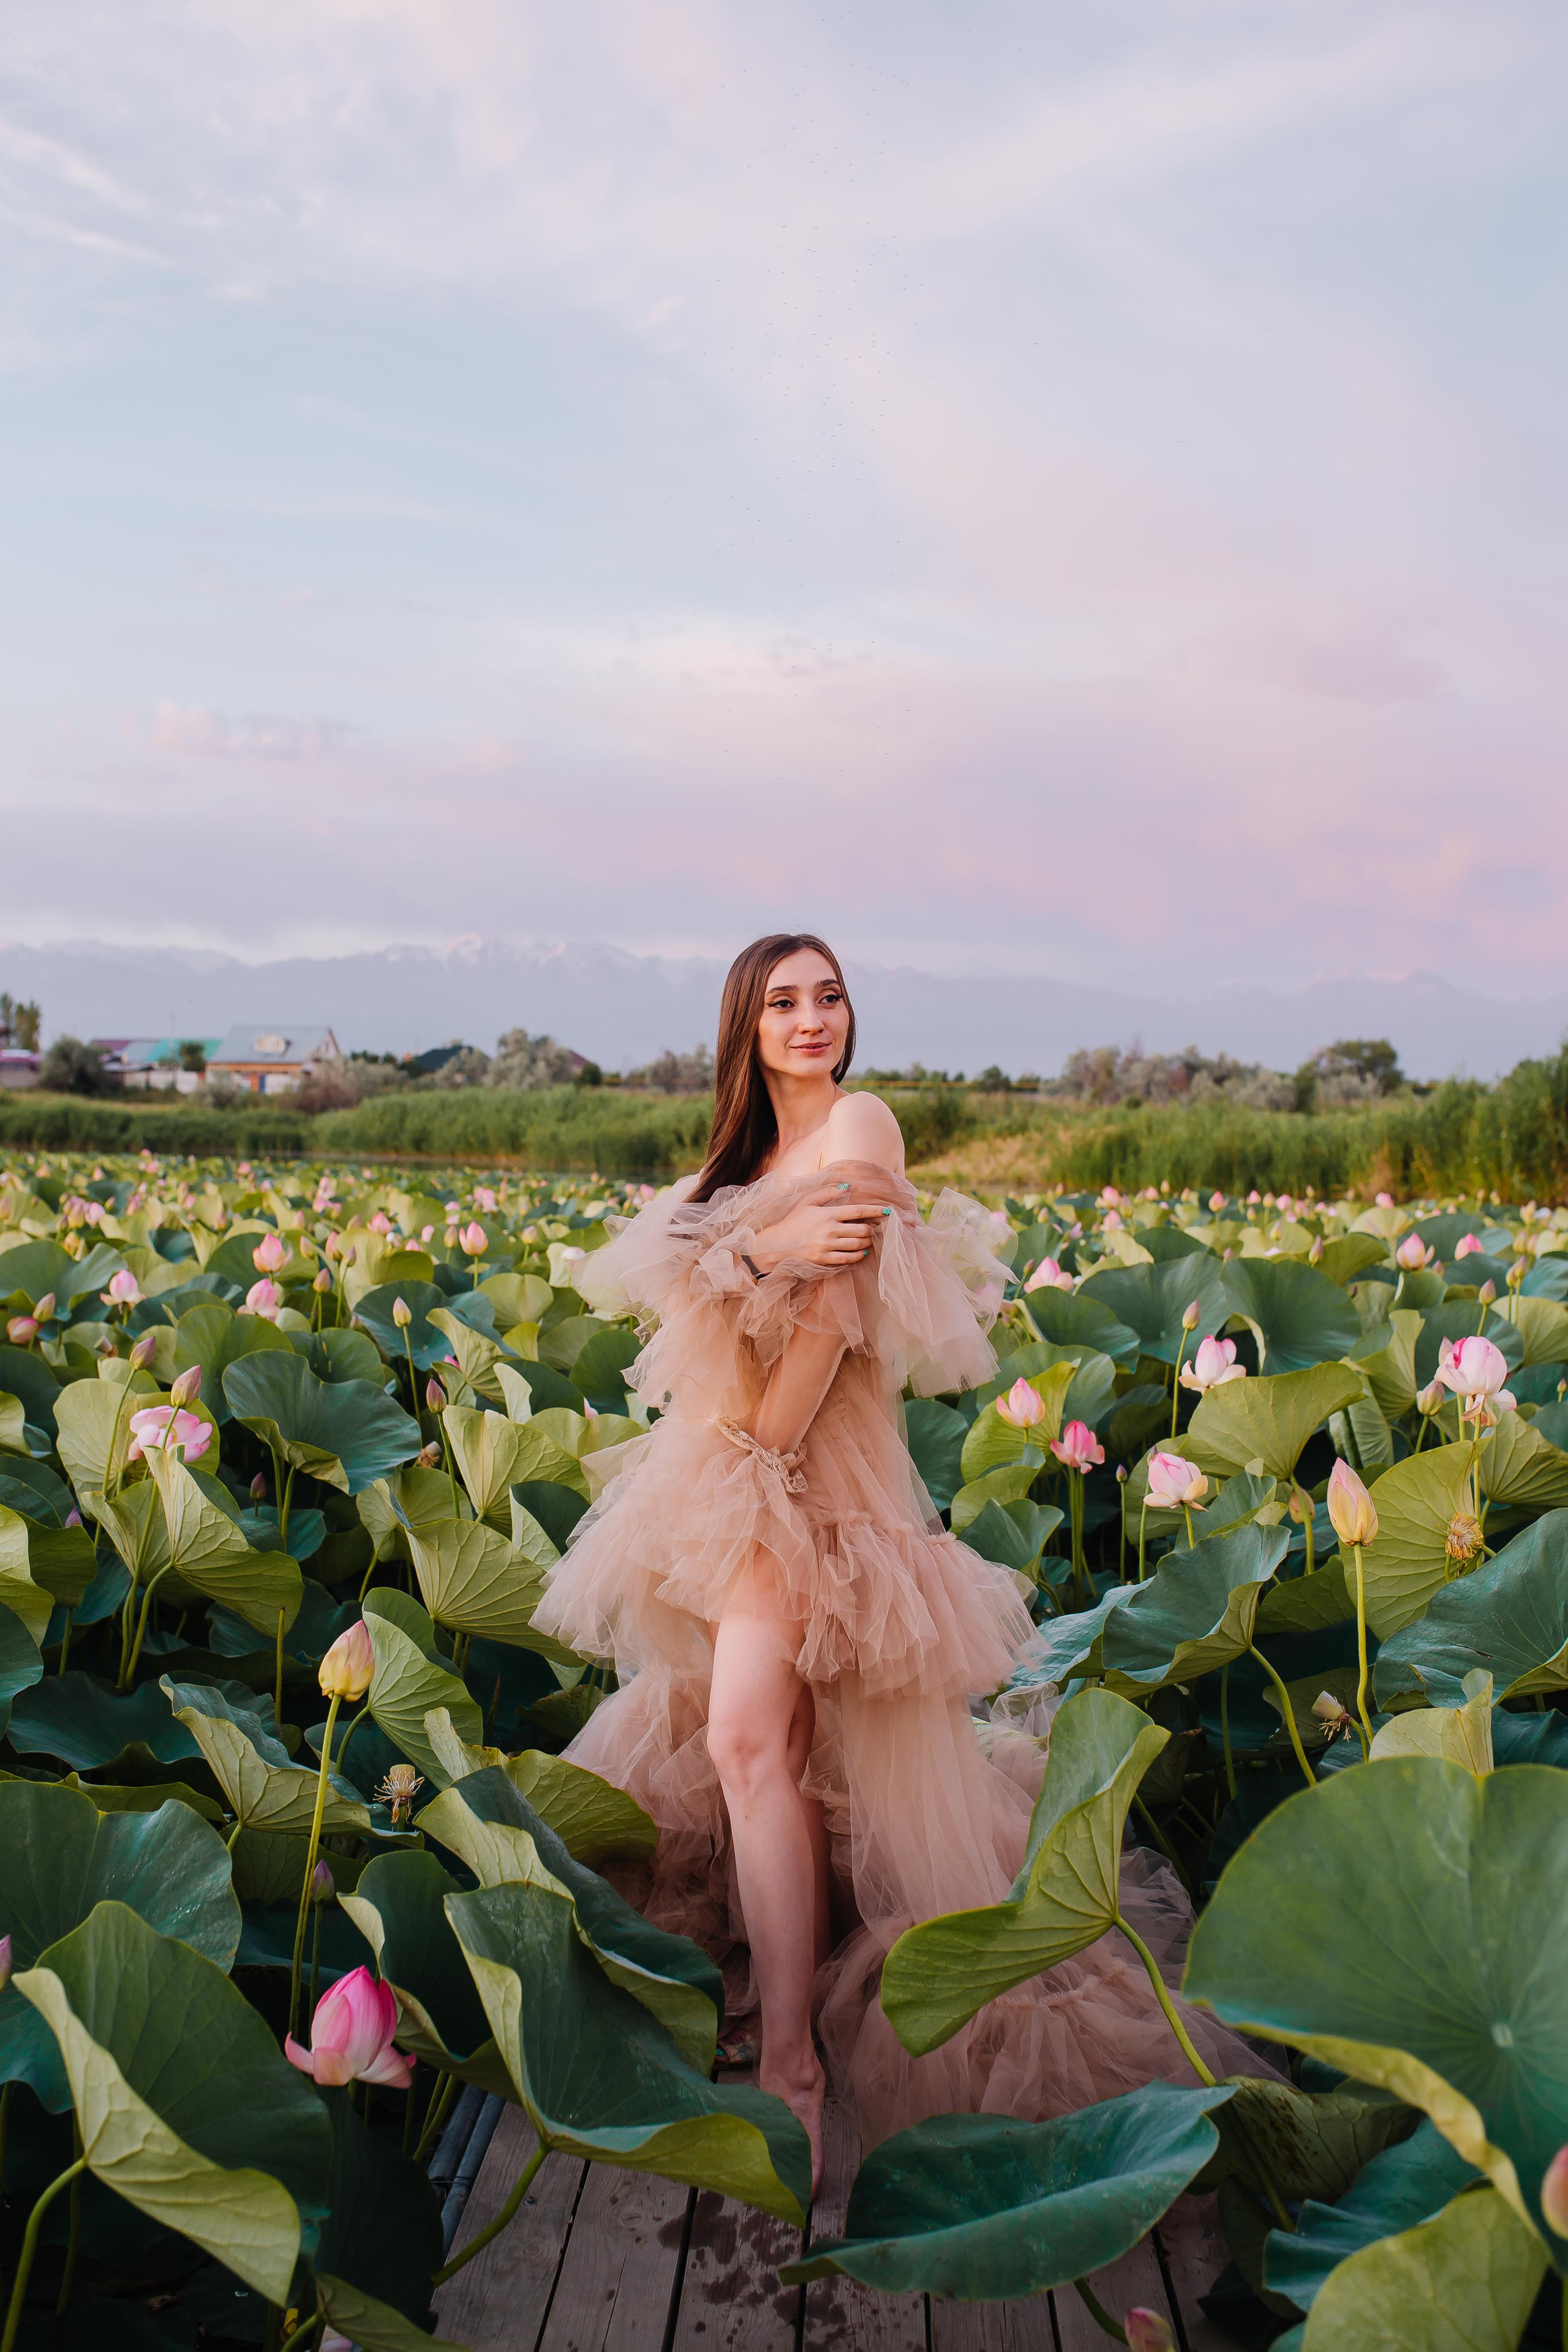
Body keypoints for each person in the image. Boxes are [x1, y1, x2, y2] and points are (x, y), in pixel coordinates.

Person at [533, 932, 1257, 2191]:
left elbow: (827, 1321)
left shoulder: (857, 1123)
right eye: (781, 1003)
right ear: (744, 1030)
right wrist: (752, 1255)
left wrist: (751, 1453)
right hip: (725, 1465)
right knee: (772, 1751)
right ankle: (780, 1976)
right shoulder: (738, 1163)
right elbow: (687, 1279)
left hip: (813, 1474)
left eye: (826, 997)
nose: (810, 1019)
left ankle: (791, 2071)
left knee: (746, 1743)